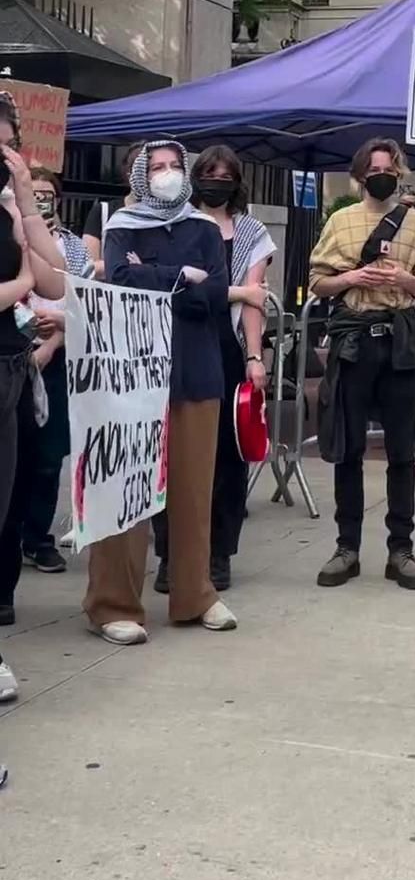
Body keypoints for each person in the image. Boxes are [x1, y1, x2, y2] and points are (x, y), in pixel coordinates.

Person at [84, 140, 234, 645]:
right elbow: (122, 280)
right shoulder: (121, 225)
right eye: (159, 167)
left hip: (195, 372)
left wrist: (158, 278)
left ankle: (195, 596)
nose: (168, 174)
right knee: (127, 492)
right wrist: (181, 278)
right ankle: (113, 604)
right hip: (133, 377)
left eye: (176, 166)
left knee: (193, 491)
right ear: (141, 176)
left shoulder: (206, 229)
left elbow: (214, 294)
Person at [310, 138, 415, 591]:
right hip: (354, 343)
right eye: (374, 168)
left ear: (399, 172)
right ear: (360, 175)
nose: (381, 175)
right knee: (348, 449)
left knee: (401, 452)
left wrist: (405, 278)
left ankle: (400, 550)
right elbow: (318, 284)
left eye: (389, 167)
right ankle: (347, 548)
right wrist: (353, 277)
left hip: (398, 343)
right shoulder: (340, 220)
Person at [153, 145, 274, 595]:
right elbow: (168, 285)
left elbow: (255, 299)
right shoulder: (171, 223)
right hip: (174, 344)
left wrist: (255, 357)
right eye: (209, 173)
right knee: (172, 452)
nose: (216, 181)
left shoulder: (251, 232)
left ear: (237, 181)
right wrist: (235, 291)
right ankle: (170, 554)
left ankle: (219, 553)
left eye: (226, 175)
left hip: (226, 348)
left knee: (227, 456)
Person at [0, 169, 93, 624]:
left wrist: (24, 208)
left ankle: (8, 586)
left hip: (24, 366)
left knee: (25, 475)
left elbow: (59, 287)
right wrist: (20, 284)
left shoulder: (19, 219)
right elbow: (29, 286)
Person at [0, 92, 68, 705]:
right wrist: (18, 284)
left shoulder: (10, 208)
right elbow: (28, 284)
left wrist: (24, 198)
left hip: (8, 371)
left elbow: (53, 278)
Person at [82, 142, 145, 279]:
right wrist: (128, 267)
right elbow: (87, 266)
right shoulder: (102, 211)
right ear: (129, 173)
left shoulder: (168, 217)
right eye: (138, 171)